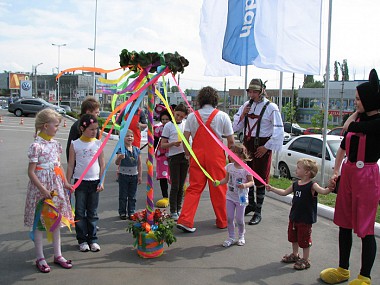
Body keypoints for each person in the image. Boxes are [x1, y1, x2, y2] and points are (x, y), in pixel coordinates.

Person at [320, 69, 380, 285]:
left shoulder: (376, 123)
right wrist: (336, 171)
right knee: (344, 223)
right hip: (349, 173)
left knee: (365, 228)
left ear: (369, 100)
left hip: (367, 176)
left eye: (358, 99)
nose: (355, 102)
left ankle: (364, 276)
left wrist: (353, 119)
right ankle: (342, 269)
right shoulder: (357, 119)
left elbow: (354, 126)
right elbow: (343, 146)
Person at [177, 86, 235, 233]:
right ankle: (223, 221)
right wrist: (231, 158)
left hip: (197, 156)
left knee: (194, 188)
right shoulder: (223, 116)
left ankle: (185, 219)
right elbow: (231, 141)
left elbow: (185, 138)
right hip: (216, 157)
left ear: (200, 100)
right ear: (215, 99)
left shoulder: (191, 116)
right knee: (219, 188)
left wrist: (187, 154)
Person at [24, 109, 74, 273]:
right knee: (40, 224)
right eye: (56, 125)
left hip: (56, 188)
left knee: (56, 222)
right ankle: (40, 256)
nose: (58, 128)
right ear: (46, 126)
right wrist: (43, 189)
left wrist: (65, 183)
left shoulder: (55, 144)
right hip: (41, 190)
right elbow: (31, 171)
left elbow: (58, 167)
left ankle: (57, 255)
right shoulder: (36, 146)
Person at [233, 78, 284, 225]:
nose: (252, 94)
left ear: (262, 91)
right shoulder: (246, 105)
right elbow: (235, 126)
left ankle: (258, 211)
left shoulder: (271, 107)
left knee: (260, 179)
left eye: (255, 91)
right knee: (246, 176)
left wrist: (267, 147)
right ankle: (251, 204)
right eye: (250, 91)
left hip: (262, 145)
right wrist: (243, 115)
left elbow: (279, 129)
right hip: (248, 145)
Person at [266, 158, 332, 270]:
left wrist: (330, 188)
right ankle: (295, 255)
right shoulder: (296, 184)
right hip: (294, 217)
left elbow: (323, 191)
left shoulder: (312, 185)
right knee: (293, 237)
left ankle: (306, 260)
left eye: (299, 168)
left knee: (304, 240)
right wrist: (272, 189)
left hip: (305, 219)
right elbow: (284, 192)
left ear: (307, 172)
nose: (296, 169)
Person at [66, 114, 105, 252]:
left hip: (95, 182)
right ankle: (82, 240)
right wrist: (67, 182)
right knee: (80, 212)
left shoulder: (98, 143)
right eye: (91, 129)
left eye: (96, 129)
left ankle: (93, 239)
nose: (95, 132)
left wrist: (102, 181)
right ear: (82, 128)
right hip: (80, 183)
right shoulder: (75, 144)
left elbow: (102, 164)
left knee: (93, 213)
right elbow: (71, 165)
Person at [214, 144, 254, 247]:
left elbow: (251, 182)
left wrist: (245, 185)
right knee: (230, 218)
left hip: (241, 198)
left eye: (232, 153)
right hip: (230, 197)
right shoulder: (229, 167)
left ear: (240, 155)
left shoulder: (246, 169)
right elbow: (226, 180)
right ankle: (231, 237)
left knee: (240, 219)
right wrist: (219, 182)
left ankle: (241, 236)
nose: (230, 155)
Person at [161, 104, 189, 220]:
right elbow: (163, 145)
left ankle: (179, 208)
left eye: (181, 116)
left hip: (185, 156)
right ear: (173, 112)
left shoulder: (186, 124)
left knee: (182, 186)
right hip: (174, 157)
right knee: (175, 185)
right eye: (177, 115)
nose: (179, 118)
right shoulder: (168, 126)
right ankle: (173, 210)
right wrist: (173, 144)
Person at [115, 129, 142, 220]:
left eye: (131, 136)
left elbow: (139, 163)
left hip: (134, 175)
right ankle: (122, 212)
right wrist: (120, 158)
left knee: (132, 195)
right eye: (127, 136)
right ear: (122, 138)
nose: (130, 138)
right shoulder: (121, 149)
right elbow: (116, 162)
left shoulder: (137, 149)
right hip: (123, 175)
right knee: (123, 195)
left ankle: (131, 211)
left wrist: (140, 176)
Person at [66, 96, 100, 161]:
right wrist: (72, 166)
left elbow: (97, 146)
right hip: (79, 165)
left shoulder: (96, 126)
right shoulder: (76, 126)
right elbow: (69, 148)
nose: (98, 115)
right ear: (88, 112)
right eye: (96, 112)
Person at [154, 109, 172, 208]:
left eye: (167, 119)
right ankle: (165, 196)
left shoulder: (174, 128)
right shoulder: (158, 129)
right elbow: (155, 143)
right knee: (163, 176)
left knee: (174, 176)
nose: (164, 121)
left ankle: (177, 193)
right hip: (161, 156)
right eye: (163, 119)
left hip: (172, 154)